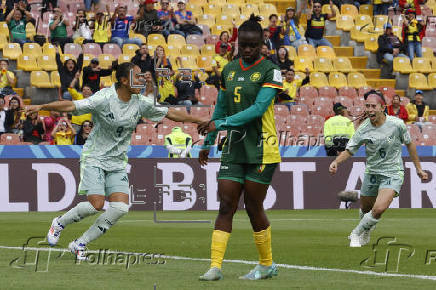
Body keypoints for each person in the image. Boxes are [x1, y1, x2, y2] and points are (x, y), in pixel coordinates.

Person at [25, 62, 205, 260]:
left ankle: (79, 244)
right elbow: (71, 105)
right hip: (95, 156)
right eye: (136, 77)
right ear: (123, 80)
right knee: (96, 205)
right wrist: (42, 106)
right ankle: (59, 222)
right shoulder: (104, 98)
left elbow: (169, 113)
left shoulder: (140, 101)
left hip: (117, 161)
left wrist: (199, 121)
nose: (141, 80)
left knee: (120, 208)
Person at [198, 14, 283, 281]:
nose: (247, 50)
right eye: (243, 45)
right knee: (226, 204)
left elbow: (258, 110)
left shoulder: (271, 70)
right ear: (236, 43)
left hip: (261, 146)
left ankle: (266, 264)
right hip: (234, 146)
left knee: (253, 207)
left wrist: (220, 124)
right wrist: (209, 142)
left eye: (253, 46)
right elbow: (221, 106)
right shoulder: (228, 70)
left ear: (261, 43)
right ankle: (215, 266)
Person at [329, 90, 428, 247]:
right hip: (372, 172)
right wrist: (336, 162)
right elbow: (350, 150)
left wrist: (418, 169)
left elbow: (409, 144)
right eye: (367, 106)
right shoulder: (363, 128)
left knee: (379, 208)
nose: (369, 109)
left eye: (373, 106)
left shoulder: (397, 125)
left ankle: (355, 233)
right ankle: (366, 229)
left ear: (382, 107)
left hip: (393, 172)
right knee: (366, 208)